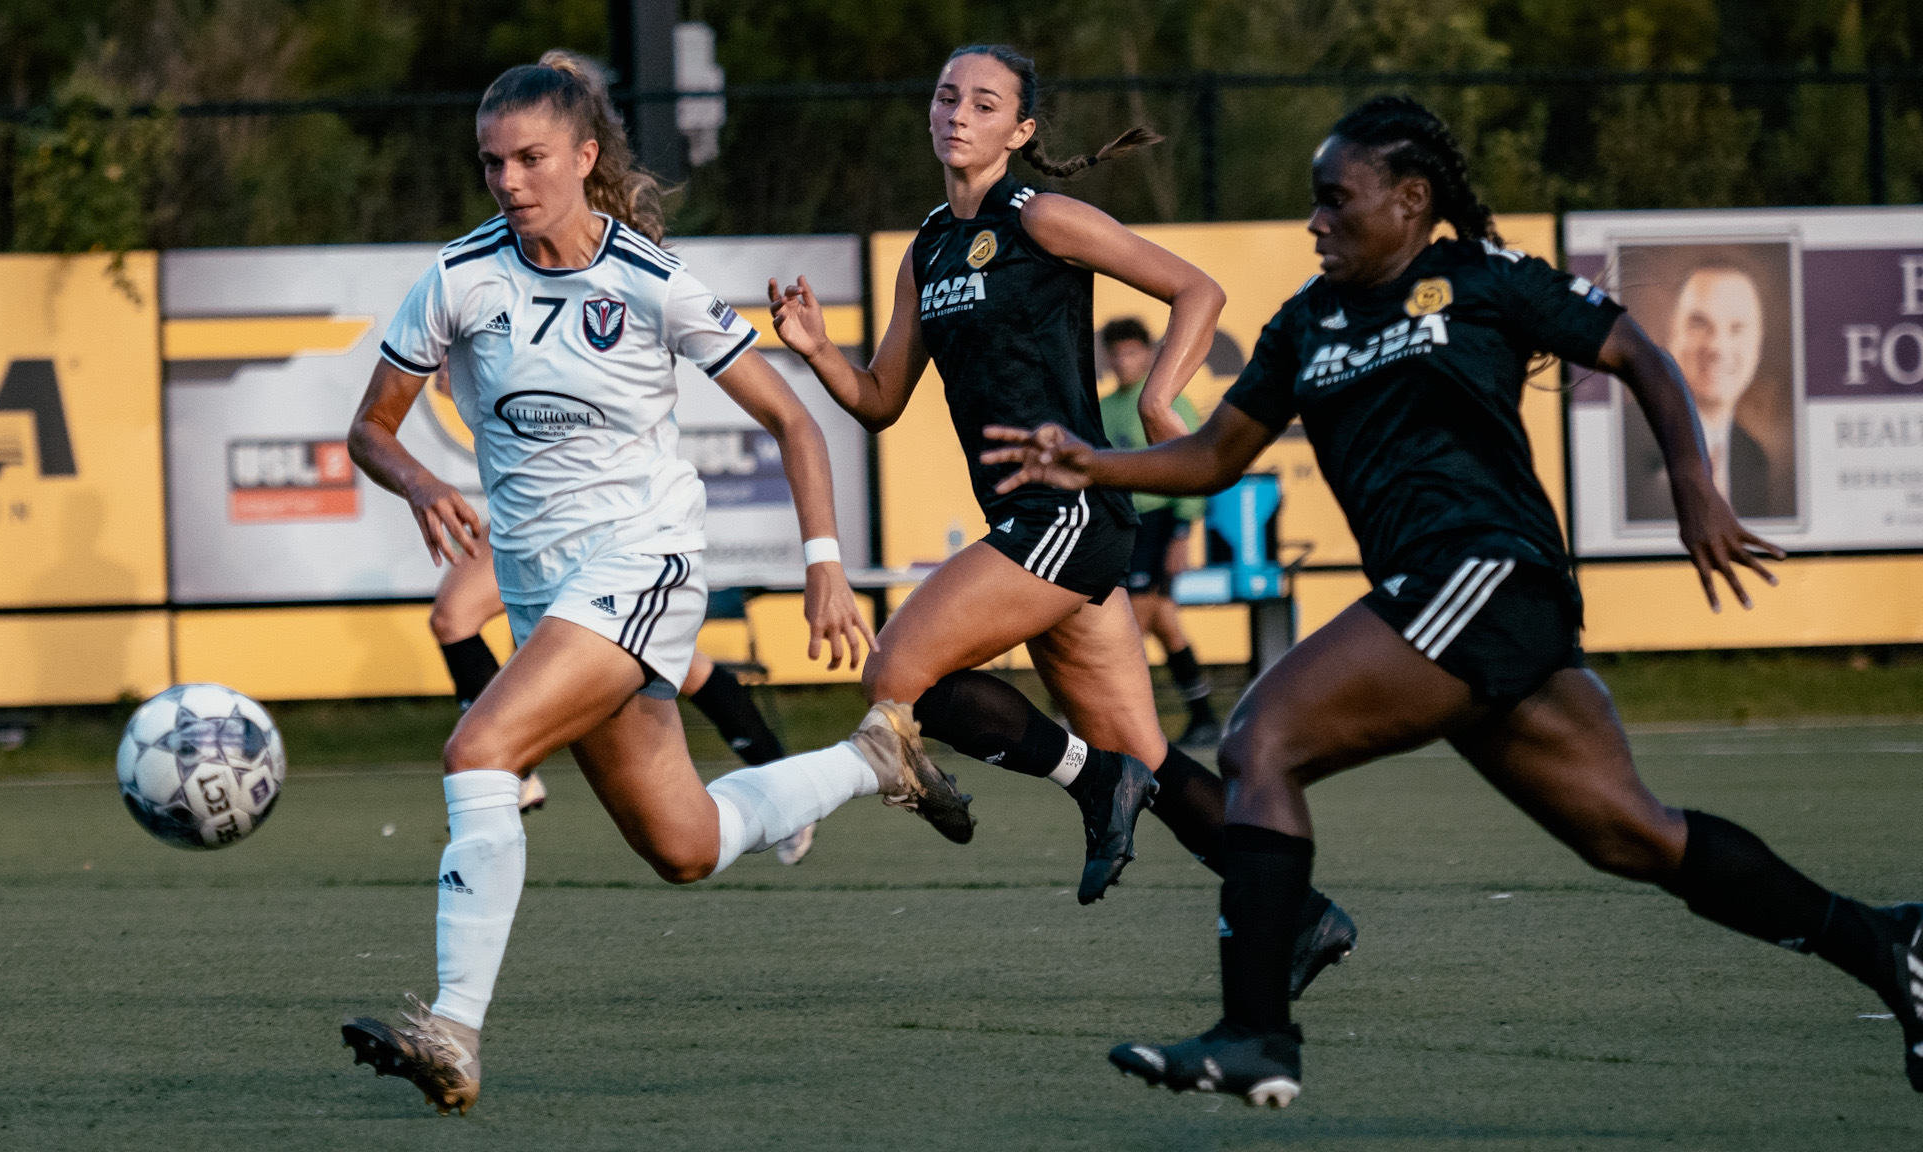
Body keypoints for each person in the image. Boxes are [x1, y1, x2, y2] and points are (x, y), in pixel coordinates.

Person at [984, 95, 1921, 1107]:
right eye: (1311, 203)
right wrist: (1094, 460)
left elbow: (1638, 355)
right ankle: (1887, 945)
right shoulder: (1304, 322)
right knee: (1631, 835)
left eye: (1334, 201)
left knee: (1261, 737)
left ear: (1409, 200)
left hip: (1489, 574)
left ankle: (1256, 1031)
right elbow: (1214, 456)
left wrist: (1692, 484)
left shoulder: (1478, 281)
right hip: (1443, 600)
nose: (1314, 222)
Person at [337, 53, 973, 1116]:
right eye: (491, 162)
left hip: (644, 563)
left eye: (530, 158)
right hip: (548, 591)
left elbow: (790, 419)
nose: (508, 180)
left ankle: (449, 1029)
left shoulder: (650, 281)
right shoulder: (458, 278)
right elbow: (369, 426)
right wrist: (417, 480)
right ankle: (874, 759)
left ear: (585, 158)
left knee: (478, 749)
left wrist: (824, 565)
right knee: (684, 846)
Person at [770, 41, 1356, 985]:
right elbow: (881, 399)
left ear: (1022, 130)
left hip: (1072, 510)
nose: (958, 113)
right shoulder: (927, 247)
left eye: (985, 102)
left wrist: (1163, 405)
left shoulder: (1041, 216)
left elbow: (1194, 291)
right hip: (1031, 521)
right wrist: (815, 350)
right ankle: (1300, 915)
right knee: (1148, 756)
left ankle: (1093, 783)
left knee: (899, 672)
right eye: (946, 95)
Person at [428, 531, 815, 864]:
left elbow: (796, 439)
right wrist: (417, 480)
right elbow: (374, 441)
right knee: (452, 616)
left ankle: (786, 787)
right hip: (521, 514)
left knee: (678, 664)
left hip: (602, 520)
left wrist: (823, 557)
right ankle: (515, 774)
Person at [1096, 316, 1221, 745]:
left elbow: (1192, 463)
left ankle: (1116, 723)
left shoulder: (1165, 400)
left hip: (1161, 521)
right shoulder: (1104, 408)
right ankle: (1203, 716)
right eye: (1115, 353)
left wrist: (1183, 532)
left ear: (1149, 355)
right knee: (1165, 624)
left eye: (1131, 352)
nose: (1123, 361)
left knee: (1135, 622)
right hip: (1122, 524)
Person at [1624, 263, 1782, 520]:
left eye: (1737, 328)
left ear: (1758, 346)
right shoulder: (1623, 443)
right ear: (1670, 336)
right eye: (1699, 324)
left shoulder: (1752, 459)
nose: (1717, 346)